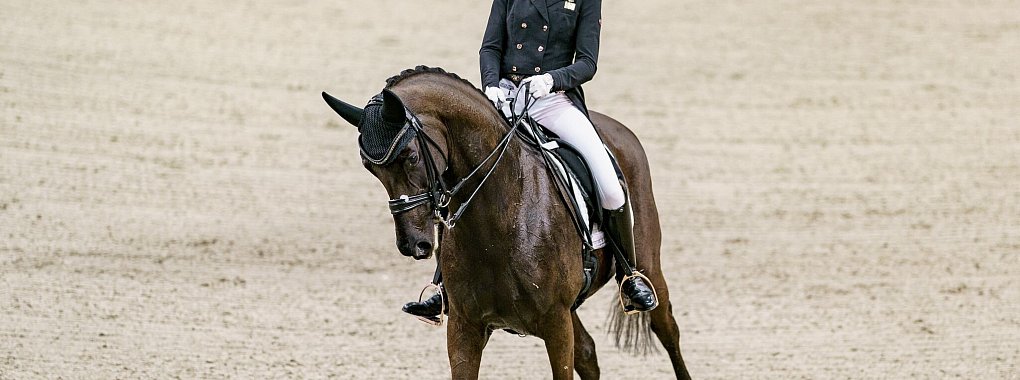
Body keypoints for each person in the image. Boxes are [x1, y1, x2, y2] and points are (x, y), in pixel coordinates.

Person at [402, 0, 658, 321]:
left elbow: (587, 63)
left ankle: (630, 276)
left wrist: (552, 80)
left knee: (610, 188)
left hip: (553, 102)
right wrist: (492, 86)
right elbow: (490, 48)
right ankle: (442, 288)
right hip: (504, 99)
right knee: (463, 174)